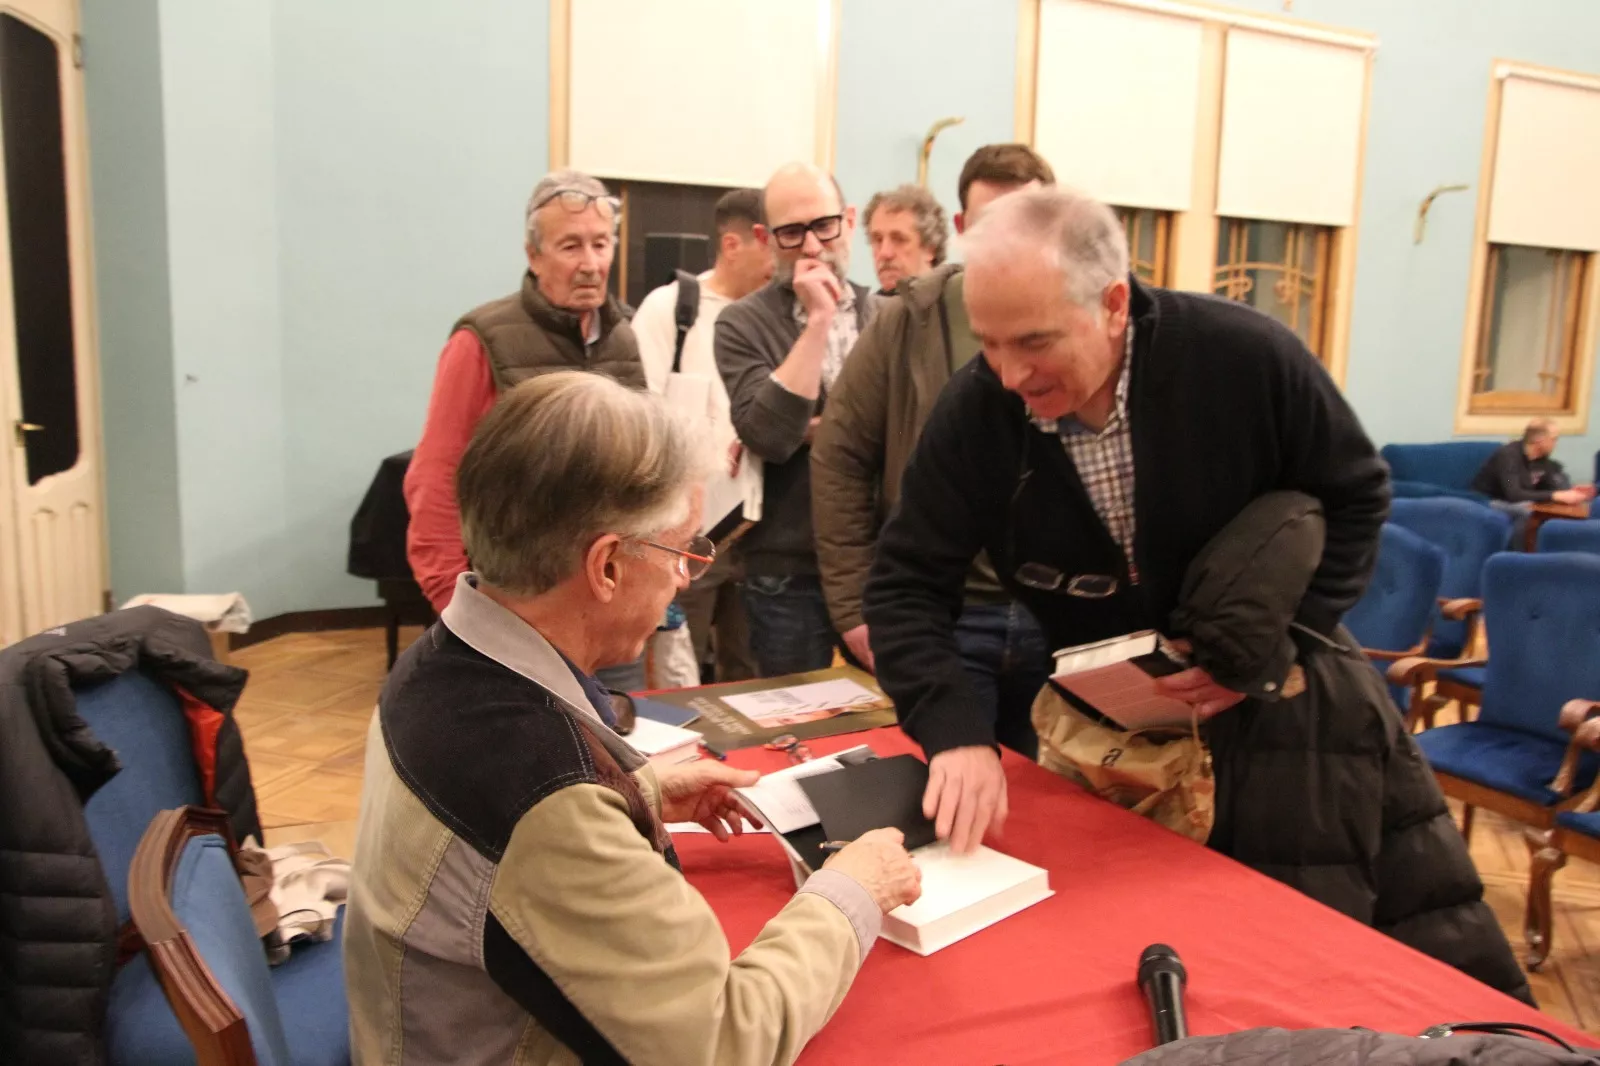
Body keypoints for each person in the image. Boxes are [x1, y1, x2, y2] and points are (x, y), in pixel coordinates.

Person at [346, 372, 921, 1066]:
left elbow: (493, 850)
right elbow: (722, 1042)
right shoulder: (544, 794)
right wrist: (852, 891)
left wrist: (638, 791)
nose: (684, 578)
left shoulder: (435, 664)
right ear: (608, 567)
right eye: (681, 552)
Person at [863, 185, 1390, 853]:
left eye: (1034, 341)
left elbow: (1357, 496)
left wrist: (1283, 645)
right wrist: (955, 732)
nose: (1010, 375)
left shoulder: (1244, 357)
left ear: (1113, 305)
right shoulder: (976, 411)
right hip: (1111, 743)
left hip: (1283, 727)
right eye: (989, 343)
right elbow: (905, 586)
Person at [813, 144, 1056, 756]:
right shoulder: (910, 319)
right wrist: (855, 606)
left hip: (1055, 619)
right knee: (951, 789)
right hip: (948, 619)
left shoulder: (1080, 316)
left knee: (1054, 799)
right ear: (963, 226)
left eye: (1026, 219)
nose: (1010, 238)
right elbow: (840, 455)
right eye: (992, 221)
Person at [403, 168, 649, 691]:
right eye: (570, 246)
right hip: (518, 618)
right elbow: (435, 479)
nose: (590, 263)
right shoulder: (481, 340)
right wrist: (454, 607)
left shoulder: (627, 337)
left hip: (614, 614)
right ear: (533, 255)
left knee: (622, 738)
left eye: (600, 244)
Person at [715, 163, 875, 676]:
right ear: (765, 238)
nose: (811, 247)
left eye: (824, 226)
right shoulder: (741, 323)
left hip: (877, 557)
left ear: (849, 221)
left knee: (892, 708)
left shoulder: (886, 314)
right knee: (793, 713)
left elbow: (908, 431)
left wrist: (816, 429)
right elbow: (770, 435)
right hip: (785, 566)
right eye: (791, 232)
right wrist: (819, 320)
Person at [633, 188, 773, 682]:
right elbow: (642, 413)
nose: (782, 261)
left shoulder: (776, 317)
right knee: (678, 672)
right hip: (686, 533)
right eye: (770, 243)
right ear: (733, 245)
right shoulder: (670, 309)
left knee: (750, 675)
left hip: (761, 533)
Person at [1471, 418, 1595, 544]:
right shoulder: (1507, 457)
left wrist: (1571, 491)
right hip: (1488, 499)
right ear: (1539, 440)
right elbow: (1514, 494)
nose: (1555, 444)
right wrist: (1556, 495)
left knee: (1563, 508)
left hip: (1517, 498)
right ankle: (1517, 552)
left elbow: (1551, 485)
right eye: (1553, 439)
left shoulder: (1541, 459)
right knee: (1526, 511)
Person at [863, 183, 947, 296]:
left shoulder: (957, 303)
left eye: (899, 240)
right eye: (878, 240)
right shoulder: (864, 306)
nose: (884, 253)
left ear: (930, 249)